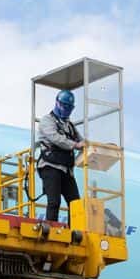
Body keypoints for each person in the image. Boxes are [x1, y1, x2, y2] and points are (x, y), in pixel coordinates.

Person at [37, 89, 84, 222]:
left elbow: (81, 140)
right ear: (57, 103)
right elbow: (55, 138)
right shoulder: (47, 120)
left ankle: (74, 231)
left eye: (69, 107)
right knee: (54, 201)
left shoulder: (70, 126)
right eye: (64, 106)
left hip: (66, 169)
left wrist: (87, 145)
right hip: (50, 166)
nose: (66, 110)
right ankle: (51, 229)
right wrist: (75, 145)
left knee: (75, 203)